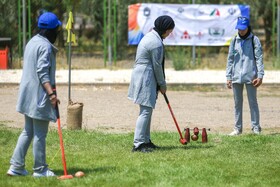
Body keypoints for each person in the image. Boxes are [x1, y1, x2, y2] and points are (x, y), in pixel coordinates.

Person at [7, 12, 61, 177]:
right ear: (51, 31)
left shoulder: (32, 42)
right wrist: (51, 94)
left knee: (28, 131)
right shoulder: (45, 46)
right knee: (39, 133)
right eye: (57, 29)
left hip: (28, 96)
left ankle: (16, 167)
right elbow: (43, 72)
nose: (58, 33)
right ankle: (40, 170)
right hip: (39, 97)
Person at [128, 15, 175, 152]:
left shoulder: (152, 37)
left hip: (144, 75)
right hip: (145, 77)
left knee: (147, 110)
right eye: (169, 31)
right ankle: (138, 144)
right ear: (165, 29)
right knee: (145, 111)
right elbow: (157, 66)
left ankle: (146, 140)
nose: (169, 34)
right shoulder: (156, 42)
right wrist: (162, 84)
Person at [226, 16, 264, 136]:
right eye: (239, 28)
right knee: (237, 103)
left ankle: (256, 128)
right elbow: (230, 59)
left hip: (251, 77)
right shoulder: (234, 41)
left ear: (248, 27)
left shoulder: (254, 40)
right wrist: (228, 76)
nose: (241, 31)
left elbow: (259, 59)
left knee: (253, 102)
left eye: (243, 28)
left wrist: (260, 75)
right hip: (236, 77)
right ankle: (237, 129)